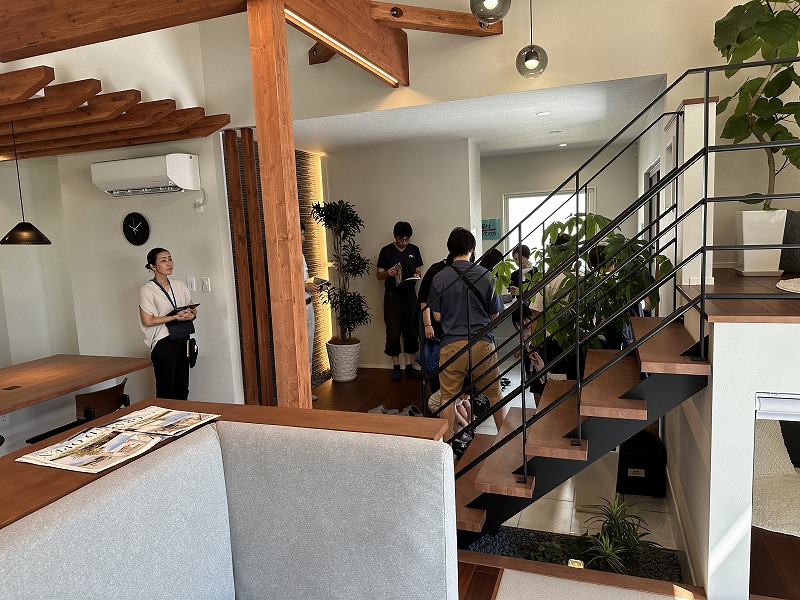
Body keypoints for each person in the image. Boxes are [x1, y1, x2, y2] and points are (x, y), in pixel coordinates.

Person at [429, 227, 506, 442]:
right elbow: (495, 314)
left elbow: (437, 316)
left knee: (447, 399)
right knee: (494, 394)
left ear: (450, 249)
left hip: (451, 346)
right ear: (472, 249)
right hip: (481, 343)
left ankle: (448, 448)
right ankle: (506, 442)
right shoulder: (486, 275)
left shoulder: (439, 277)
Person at [139, 248, 197, 400]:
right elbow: (148, 320)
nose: (169, 263)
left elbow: (193, 310)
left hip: (182, 338)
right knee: (166, 391)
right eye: (163, 260)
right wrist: (174, 317)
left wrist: (190, 315)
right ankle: (165, 416)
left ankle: (182, 416)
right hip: (163, 342)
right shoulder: (147, 289)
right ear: (152, 266)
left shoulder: (179, 285)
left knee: (182, 388)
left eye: (170, 259)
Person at [376, 221, 424, 381]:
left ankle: (409, 366)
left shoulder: (414, 250)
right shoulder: (386, 251)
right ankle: (396, 366)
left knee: (411, 329)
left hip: (410, 294)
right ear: (395, 237)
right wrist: (387, 274)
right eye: (401, 239)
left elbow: (418, 269)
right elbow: (378, 275)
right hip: (392, 295)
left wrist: (417, 275)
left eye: (407, 239)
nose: (404, 242)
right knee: (393, 330)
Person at [301, 222, 321, 401]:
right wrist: (304, 285)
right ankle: (299, 391)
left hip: (308, 304)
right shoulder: (287, 255)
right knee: (300, 350)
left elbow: (305, 280)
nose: (303, 238)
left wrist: (314, 285)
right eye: (301, 233)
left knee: (309, 347)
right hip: (298, 307)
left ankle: (306, 390)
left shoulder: (301, 254)